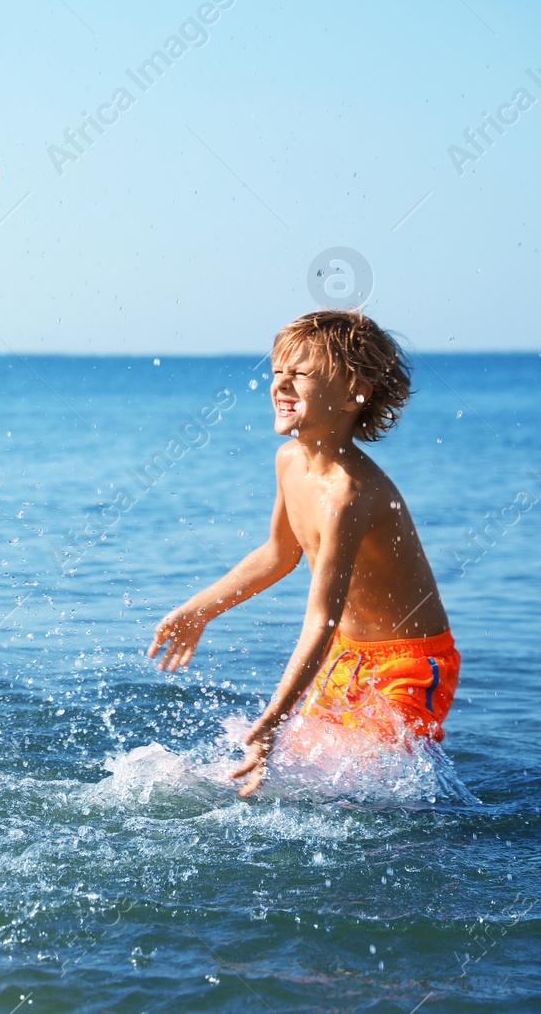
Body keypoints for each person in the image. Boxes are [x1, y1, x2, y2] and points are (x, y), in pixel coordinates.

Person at [149, 309, 458, 794]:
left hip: (409, 664)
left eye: (301, 375)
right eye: (277, 372)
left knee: (383, 793)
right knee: (301, 775)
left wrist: (273, 717)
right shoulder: (289, 460)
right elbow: (278, 553)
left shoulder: (349, 493)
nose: (281, 385)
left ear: (358, 393)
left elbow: (321, 619)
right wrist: (199, 610)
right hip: (344, 655)